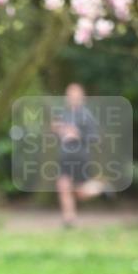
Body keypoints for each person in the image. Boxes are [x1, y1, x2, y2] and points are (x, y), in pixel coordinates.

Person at [52, 83, 106, 227]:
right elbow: (60, 135)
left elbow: (95, 137)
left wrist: (78, 134)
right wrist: (57, 130)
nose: (71, 97)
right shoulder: (64, 114)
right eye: (69, 94)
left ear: (82, 97)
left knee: (80, 192)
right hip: (64, 156)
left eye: (74, 94)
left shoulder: (86, 115)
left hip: (80, 156)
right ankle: (69, 219)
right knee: (63, 186)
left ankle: (101, 187)